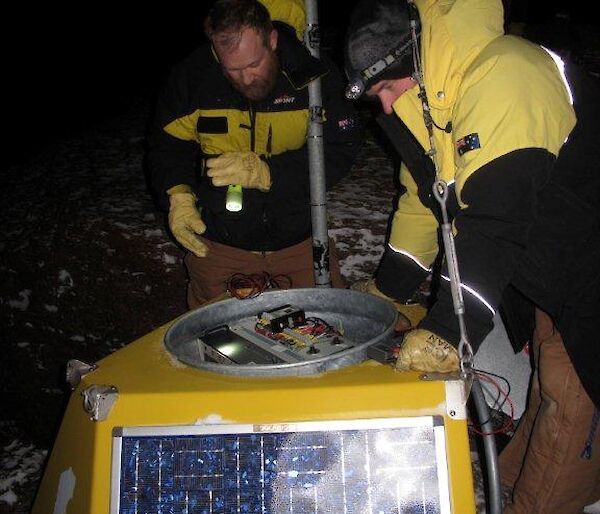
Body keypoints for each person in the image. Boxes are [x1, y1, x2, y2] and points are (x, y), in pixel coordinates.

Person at [343, 0, 600, 513]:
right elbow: (424, 201)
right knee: (546, 406)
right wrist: (389, 292)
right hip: (551, 278)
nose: (386, 108)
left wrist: (444, 332)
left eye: (388, 89)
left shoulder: (508, 74)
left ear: (412, 61)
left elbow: (493, 224)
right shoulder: (435, 105)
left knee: (569, 423)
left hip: (591, 273)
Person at [148, 0, 361, 308]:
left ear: (271, 40)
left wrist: (270, 173)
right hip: (219, 243)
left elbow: (343, 147)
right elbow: (167, 147)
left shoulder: (311, 73)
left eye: (253, 64)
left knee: (330, 324)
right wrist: (177, 195)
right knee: (214, 338)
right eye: (231, 69)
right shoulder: (192, 77)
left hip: (301, 239)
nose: (245, 79)